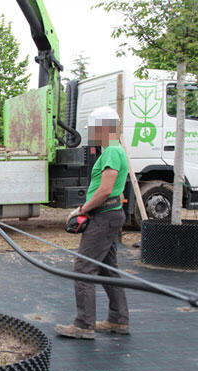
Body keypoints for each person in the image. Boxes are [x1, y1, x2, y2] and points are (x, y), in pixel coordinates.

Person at [55, 106, 130, 339]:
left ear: (104, 128)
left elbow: (105, 189)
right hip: (110, 215)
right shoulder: (112, 150)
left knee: (83, 268)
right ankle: (119, 320)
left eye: (94, 129)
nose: (91, 134)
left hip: (103, 216)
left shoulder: (111, 153)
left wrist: (82, 210)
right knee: (108, 269)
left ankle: (83, 325)